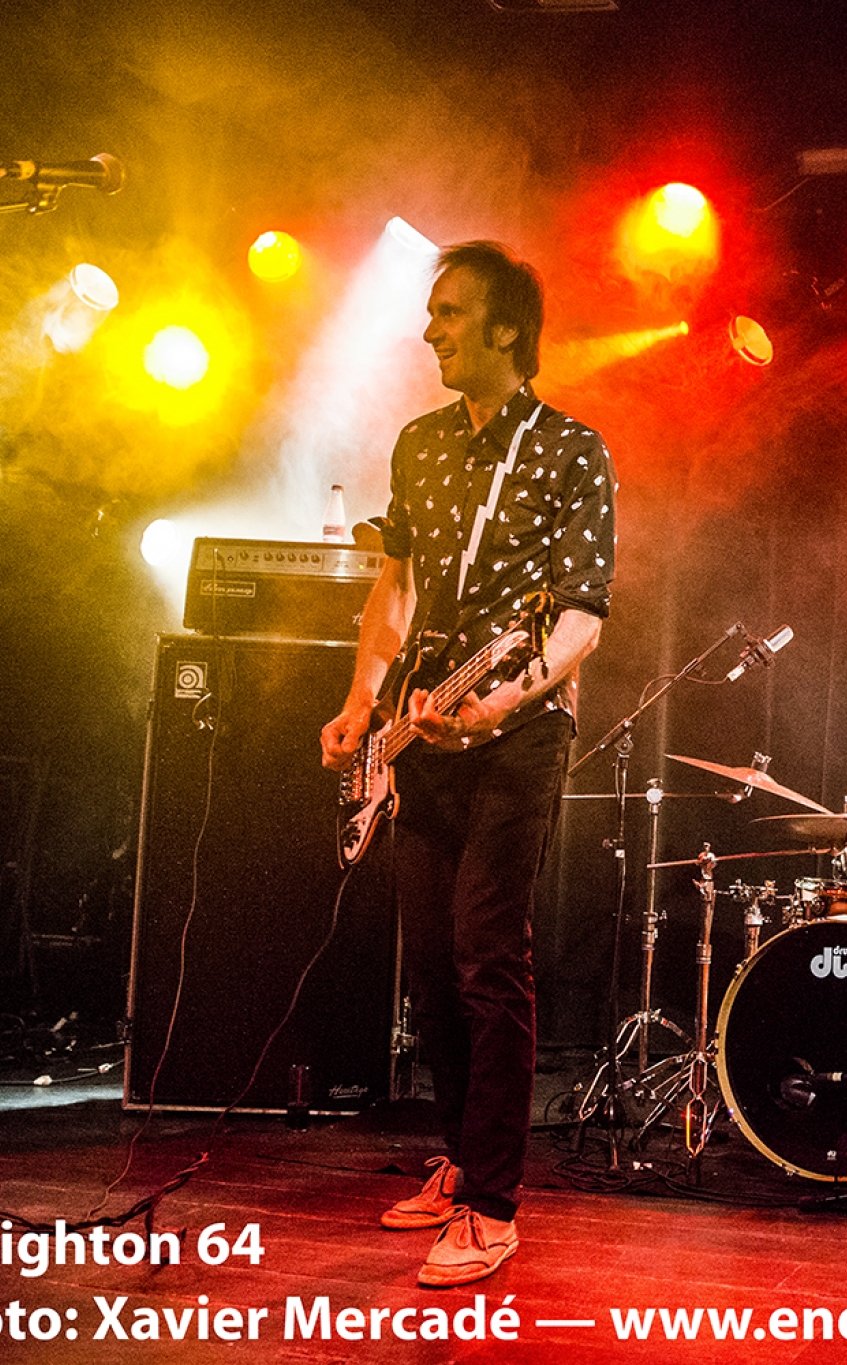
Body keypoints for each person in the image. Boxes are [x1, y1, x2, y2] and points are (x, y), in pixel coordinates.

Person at [320, 241, 615, 1287]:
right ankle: (456, 1157)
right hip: (420, 728)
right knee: (434, 962)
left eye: (450, 313)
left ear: (506, 329)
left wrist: (506, 697)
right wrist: (363, 698)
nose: (430, 330)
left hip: (518, 732)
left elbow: (580, 616)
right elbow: (393, 587)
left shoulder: (573, 450)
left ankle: (492, 1202)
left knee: (490, 951)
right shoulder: (421, 443)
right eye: (431, 311)